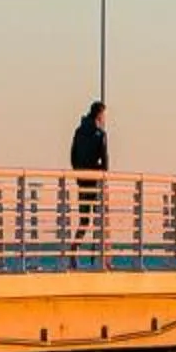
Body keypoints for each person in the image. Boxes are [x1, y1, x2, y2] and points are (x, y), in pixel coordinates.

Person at [67, 101, 108, 255]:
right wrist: (99, 171)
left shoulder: (79, 131)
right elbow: (105, 162)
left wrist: (78, 173)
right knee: (100, 218)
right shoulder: (100, 134)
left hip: (82, 180)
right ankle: (101, 257)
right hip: (94, 181)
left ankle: (74, 249)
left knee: (84, 219)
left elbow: (72, 155)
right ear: (99, 114)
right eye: (103, 115)